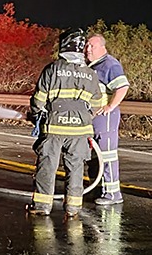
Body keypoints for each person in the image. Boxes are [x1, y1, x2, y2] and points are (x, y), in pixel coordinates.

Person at [27, 28, 105, 217]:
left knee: (47, 167)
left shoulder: (52, 70)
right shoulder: (90, 73)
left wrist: (36, 115)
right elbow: (97, 104)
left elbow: (38, 101)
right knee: (76, 168)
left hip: (54, 128)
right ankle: (73, 208)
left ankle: (42, 207)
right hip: (80, 130)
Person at [85, 33, 130, 205]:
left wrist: (110, 107)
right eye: (87, 46)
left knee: (107, 154)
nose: (88, 49)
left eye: (92, 46)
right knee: (93, 154)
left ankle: (112, 194)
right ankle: (96, 188)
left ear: (102, 48)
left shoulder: (109, 64)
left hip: (105, 117)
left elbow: (122, 86)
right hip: (93, 117)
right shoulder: (92, 66)